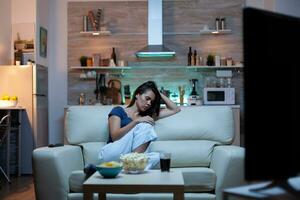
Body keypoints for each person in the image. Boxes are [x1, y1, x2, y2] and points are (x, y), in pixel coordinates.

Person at [98, 81, 180, 169]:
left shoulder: (145, 116)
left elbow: (175, 109)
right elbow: (115, 136)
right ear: (137, 94)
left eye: (151, 101)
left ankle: (132, 164)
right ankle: (135, 163)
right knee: (146, 124)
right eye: (147, 98)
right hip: (112, 152)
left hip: (125, 157)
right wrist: (136, 121)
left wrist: (157, 92)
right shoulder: (118, 110)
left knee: (158, 156)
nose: (149, 103)